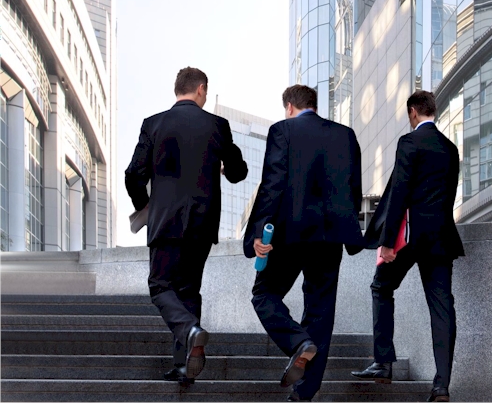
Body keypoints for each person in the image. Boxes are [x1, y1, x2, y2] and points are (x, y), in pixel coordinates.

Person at [125, 67, 247, 384]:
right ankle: (183, 364)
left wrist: (145, 206)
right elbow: (238, 172)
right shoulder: (217, 125)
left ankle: (190, 332)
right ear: (201, 90)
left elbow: (132, 175)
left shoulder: (153, 124)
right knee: (189, 290)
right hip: (202, 223)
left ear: (178, 90)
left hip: (165, 220)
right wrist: (223, 163)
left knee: (160, 286)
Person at [243, 84, 365, 402]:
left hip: (289, 233)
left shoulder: (283, 130)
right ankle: (305, 391)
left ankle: (298, 341)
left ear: (289, 106)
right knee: (321, 310)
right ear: (314, 104)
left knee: (264, 294)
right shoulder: (346, 135)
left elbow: (272, 184)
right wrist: (348, 230)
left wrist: (258, 232)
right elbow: (354, 188)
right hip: (330, 236)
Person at [351, 90, 464, 403]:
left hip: (411, 236)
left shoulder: (409, 143)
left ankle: (384, 362)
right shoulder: (451, 148)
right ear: (433, 111)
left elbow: (399, 193)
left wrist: (387, 243)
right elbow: (450, 194)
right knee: (442, 308)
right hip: (441, 236)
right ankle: (441, 385)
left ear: (414, 112)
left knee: (381, 287)